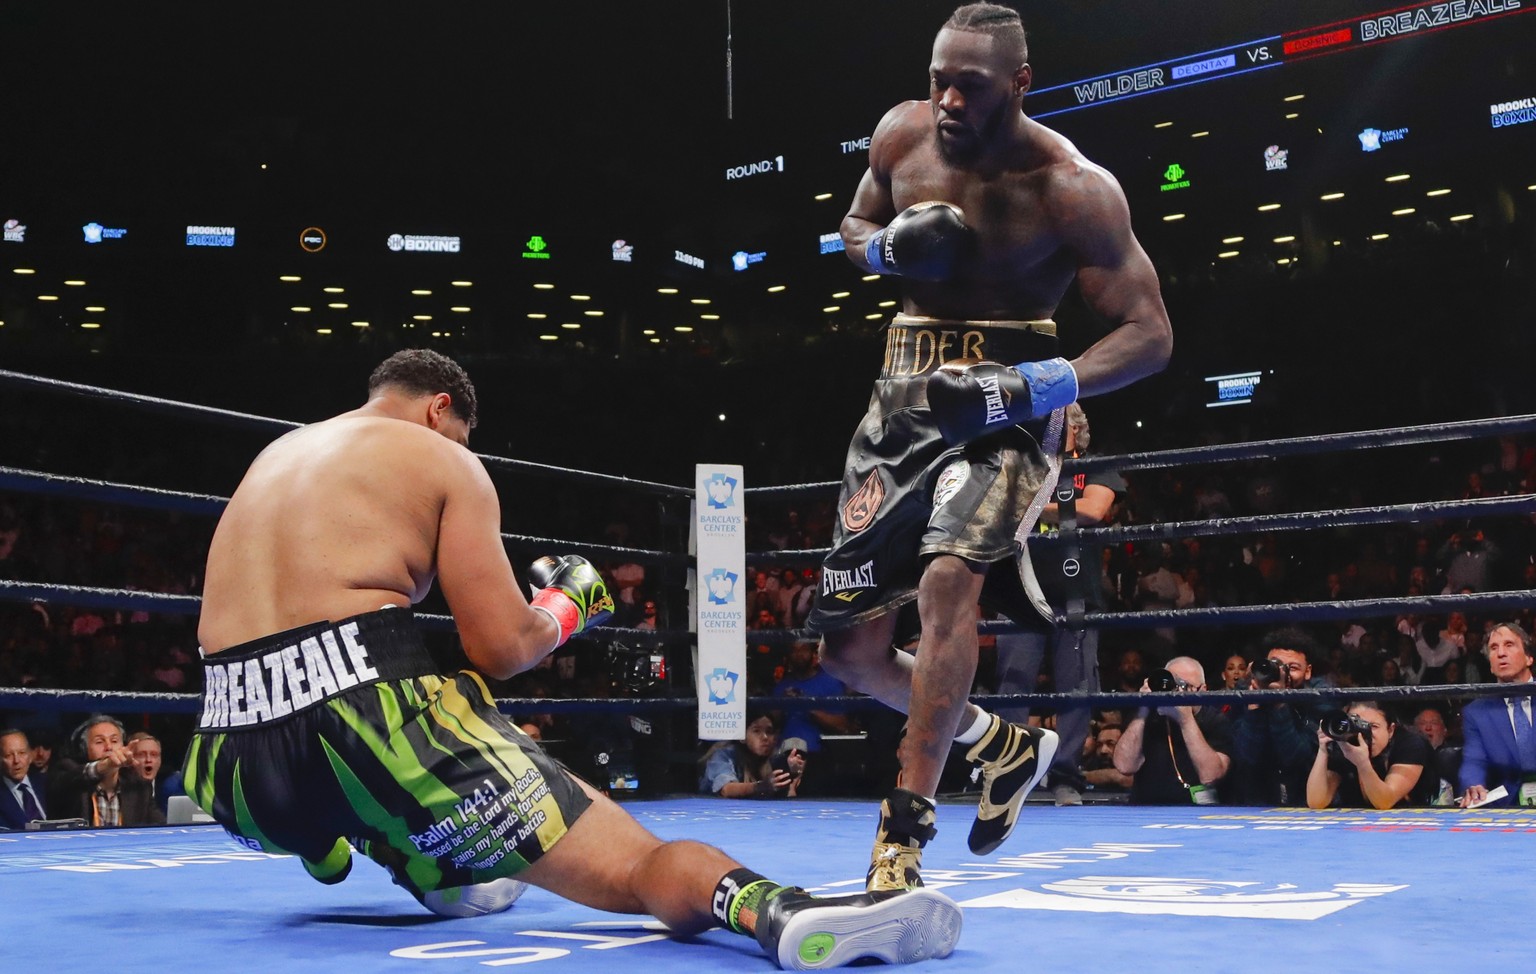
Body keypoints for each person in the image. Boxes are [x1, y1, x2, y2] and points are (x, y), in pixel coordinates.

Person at [181, 348, 958, 969]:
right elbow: (502, 650)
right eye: (459, 437)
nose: (459, 452)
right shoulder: (441, 457)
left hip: (231, 771)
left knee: (389, 811)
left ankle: (335, 847)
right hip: (371, 727)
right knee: (635, 863)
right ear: (440, 409)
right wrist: (564, 607)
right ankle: (779, 914)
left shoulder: (275, 458)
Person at [809, 2, 1172, 891]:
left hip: (1006, 406)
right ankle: (999, 746)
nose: (945, 101)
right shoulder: (899, 136)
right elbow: (851, 228)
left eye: (968, 86)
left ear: (1018, 84)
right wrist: (885, 250)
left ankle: (902, 839)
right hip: (898, 399)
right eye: (937, 79)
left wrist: (1041, 384)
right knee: (849, 655)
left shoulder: (1072, 187)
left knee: (946, 582)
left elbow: (1149, 332)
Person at [993, 403, 1124, 806]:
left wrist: (1028, 510)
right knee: (1013, 685)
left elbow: (1094, 510)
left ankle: (1065, 775)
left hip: (1076, 592)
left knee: (1076, 687)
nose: (1046, 428)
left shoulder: (1097, 466)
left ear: (1076, 429)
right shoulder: (1021, 466)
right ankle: (1011, 774)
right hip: (1019, 590)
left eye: (1056, 422)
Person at [1225, 628, 1328, 806]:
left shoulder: (1318, 698)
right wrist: (1254, 703)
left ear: (1308, 671)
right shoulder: (1242, 695)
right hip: (1252, 804)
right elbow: (1245, 757)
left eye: (1293, 668)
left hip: (1302, 802)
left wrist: (1280, 703)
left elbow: (1296, 758)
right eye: (1276, 665)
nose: (1283, 673)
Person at [1110, 657, 1232, 805]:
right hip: (1146, 809)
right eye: (1173, 684)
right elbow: (1124, 766)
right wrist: (1143, 709)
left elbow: (1210, 776)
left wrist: (1185, 720)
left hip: (1198, 812)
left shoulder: (1215, 720)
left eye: (1186, 686)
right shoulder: (1146, 715)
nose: (1177, 692)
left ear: (1203, 690)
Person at [1459, 622, 1536, 807]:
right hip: (1507, 805)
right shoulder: (1476, 712)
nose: (1501, 653)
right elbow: (1474, 760)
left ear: (1528, 658)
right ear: (1491, 664)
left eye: (1509, 645)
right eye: (1494, 648)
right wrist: (1473, 785)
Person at [1306, 702, 1434, 809]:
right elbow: (1316, 802)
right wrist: (1323, 750)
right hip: (1356, 826)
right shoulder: (1343, 744)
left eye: (1373, 726)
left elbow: (1384, 802)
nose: (1364, 732)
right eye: (1357, 724)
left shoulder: (1410, 744)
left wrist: (1362, 763)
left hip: (1408, 822)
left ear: (1390, 730)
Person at [48, 714, 164, 827]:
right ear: (84, 749)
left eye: (114, 741)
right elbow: (70, 779)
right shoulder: (67, 772)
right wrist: (106, 765)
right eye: (99, 742)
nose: (109, 747)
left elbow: (161, 827)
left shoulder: (139, 786)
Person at [700, 711, 806, 799]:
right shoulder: (723, 755)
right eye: (756, 731)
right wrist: (760, 787)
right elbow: (726, 790)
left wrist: (792, 774)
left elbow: (790, 797)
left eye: (769, 732)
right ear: (743, 737)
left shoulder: (775, 758)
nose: (765, 737)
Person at [1, 728, 49, 829]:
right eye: (8, 755)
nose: (16, 760)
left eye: (22, 753)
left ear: (30, 756)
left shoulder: (46, 783)